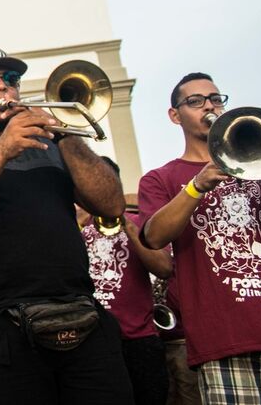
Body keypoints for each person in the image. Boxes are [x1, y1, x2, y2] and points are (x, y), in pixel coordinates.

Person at [0, 45, 133, 404]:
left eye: (11, 79)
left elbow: (110, 204)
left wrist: (64, 134)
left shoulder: (55, 144)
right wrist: (2, 150)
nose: (2, 87)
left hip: (80, 314)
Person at [139, 72, 261, 405]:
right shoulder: (161, 178)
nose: (209, 106)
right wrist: (196, 185)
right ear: (174, 115)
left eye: (215, 99)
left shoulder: (260, 168)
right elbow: (153, 236)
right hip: (223, 337)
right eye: (195, 101)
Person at [75, 159, 172, 405]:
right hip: (91, 342)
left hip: (140, 341)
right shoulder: (72, 227)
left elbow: (163, 268)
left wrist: (125, 222)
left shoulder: (139, 222)